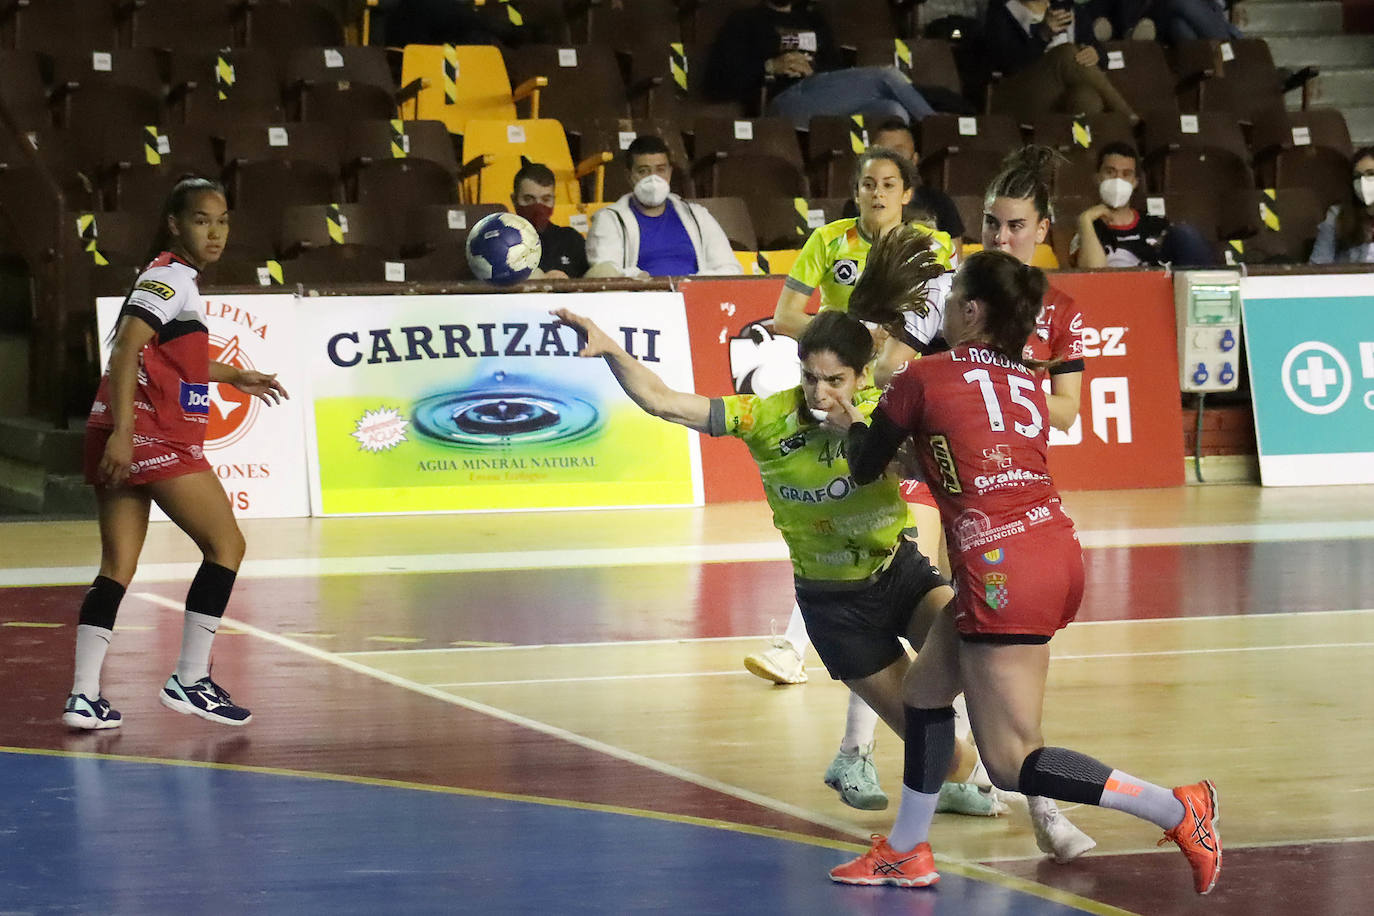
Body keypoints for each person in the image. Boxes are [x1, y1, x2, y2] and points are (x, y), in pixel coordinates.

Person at [824, 229, 1221, 896]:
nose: (945, 309)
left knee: (1011, 762)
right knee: (924, 694)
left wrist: (848, 422)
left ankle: (1179, 808)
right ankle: (906, 849)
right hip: (1054, 551)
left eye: (953, 297)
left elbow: (869, 466)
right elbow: (964, 459)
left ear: (973, 311)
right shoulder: (1029, 383)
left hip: (1000, 567)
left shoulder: (922, 377)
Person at [63, 176, 288, 731]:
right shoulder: (170, 277)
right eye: (201, 220)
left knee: (117, 566)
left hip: (125, 433)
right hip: (151, 436)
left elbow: (166, 361)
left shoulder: (170, 278)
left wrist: (233, 374)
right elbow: (125, 351)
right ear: (175, 224)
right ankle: (190, 679)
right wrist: (125, 433)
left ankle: (84, 696)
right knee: (226, 544)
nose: (215, 232)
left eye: (223, 220)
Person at [702, 0, 940, 129]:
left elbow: (836, 71)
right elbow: (716, 82)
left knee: (892, 110)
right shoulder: (745, 21)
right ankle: (940, 132)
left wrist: (814, 71)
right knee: (886, 76)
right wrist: (770, 66)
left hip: (821, 94)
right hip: (782, 101)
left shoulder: (814, 19)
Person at [980, 146, 1084, 432]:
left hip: (1020, 458)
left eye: (1016, 226)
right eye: (991, 222)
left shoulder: (1059, 309)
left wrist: (1006, 385)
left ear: (1041, 229)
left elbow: (1067, 414)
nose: (1000, 238)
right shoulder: (946, 293)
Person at [585, 135, 742, 278]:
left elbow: (730, 269)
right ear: (629, 176)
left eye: (660, 170)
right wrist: (639, 279)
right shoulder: (609, 220)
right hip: (641, 302)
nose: (653, 178)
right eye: (643, 171)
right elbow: (604, 274)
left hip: (694, 301)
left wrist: (692, 283)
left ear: (670, 172)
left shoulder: (697, 216)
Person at [983, 0, 1140, 120]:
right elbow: (1008, 64)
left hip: (1062, 95)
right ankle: (1129, 119)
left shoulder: (1068, 8)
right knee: (1067, 52)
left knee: (1087, 98)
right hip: (1021, 95)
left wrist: (1095, 54)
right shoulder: (1001, 11)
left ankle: (1081, 157)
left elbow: (1101, 53)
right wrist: (1042, 36)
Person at [1070, 142, 1217, 268]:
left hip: (1159, 295)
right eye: (1110, 172)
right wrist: (1086, 220)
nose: (1118, 180)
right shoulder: (1087, 229)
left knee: (1186, 233)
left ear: (1135, 182)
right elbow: (1093, 276)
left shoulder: (1156, 224)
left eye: (1126, 174)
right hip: (1113, 296)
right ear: (1097, 178)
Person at [840, 118, 965, 252]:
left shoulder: (939, 203)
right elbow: (847, 252)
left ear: (915, 159)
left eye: (898, 153)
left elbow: (955, 261)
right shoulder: (856, 208)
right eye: (882, 153)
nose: (890, 161)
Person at [511, 159, 589, 279]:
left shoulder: (571, 240)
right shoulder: (501, 241)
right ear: (514, 200)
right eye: (528, 199)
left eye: (546, 200)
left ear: (554, 201)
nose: (538, 206)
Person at [1309, 146, 1374, 265]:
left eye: (1370, 174)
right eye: (1358, 176)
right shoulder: (1338, 215)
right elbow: (1318, 266)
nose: (1363, 182)